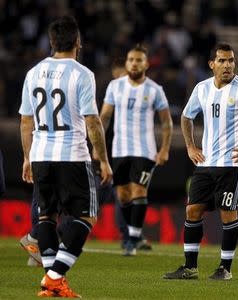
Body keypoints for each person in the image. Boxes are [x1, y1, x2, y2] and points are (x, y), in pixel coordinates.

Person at [163, 43, 238, 280]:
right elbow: (186, 116)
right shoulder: (202, 88)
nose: (228, 65)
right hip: (205, 163)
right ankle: (190, 267)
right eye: (223, 61)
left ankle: (225, 268)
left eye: (231, 61)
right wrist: (190, 146)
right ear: (212, 64)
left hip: (232, 164)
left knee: (227, 212)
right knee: (192, 211)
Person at [19, 16, 112, 298]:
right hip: (72, 154)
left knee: (46, 216)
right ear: (78, 42)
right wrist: (103, 158)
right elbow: (93, 121)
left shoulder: (33, 73)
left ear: (51, 42)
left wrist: (27, 157)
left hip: (41, 154)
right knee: (87, 215)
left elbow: (25, 122)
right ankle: (54, 277)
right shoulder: (82, 74)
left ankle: (53, 283)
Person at [99, 44, 173, 256]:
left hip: (145, 149)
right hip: (119, 149)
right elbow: (104, 118)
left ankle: (132, 238)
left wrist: (164, 149)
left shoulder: (155, 90)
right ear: (127, 62)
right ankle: (134, 234)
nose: (134, 63)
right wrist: (98, 147)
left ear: (146, 64)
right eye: (131, 59)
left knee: (139, 191)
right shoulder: (115, 86)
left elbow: (166, 122)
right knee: (122, 196)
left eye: (139, 60)